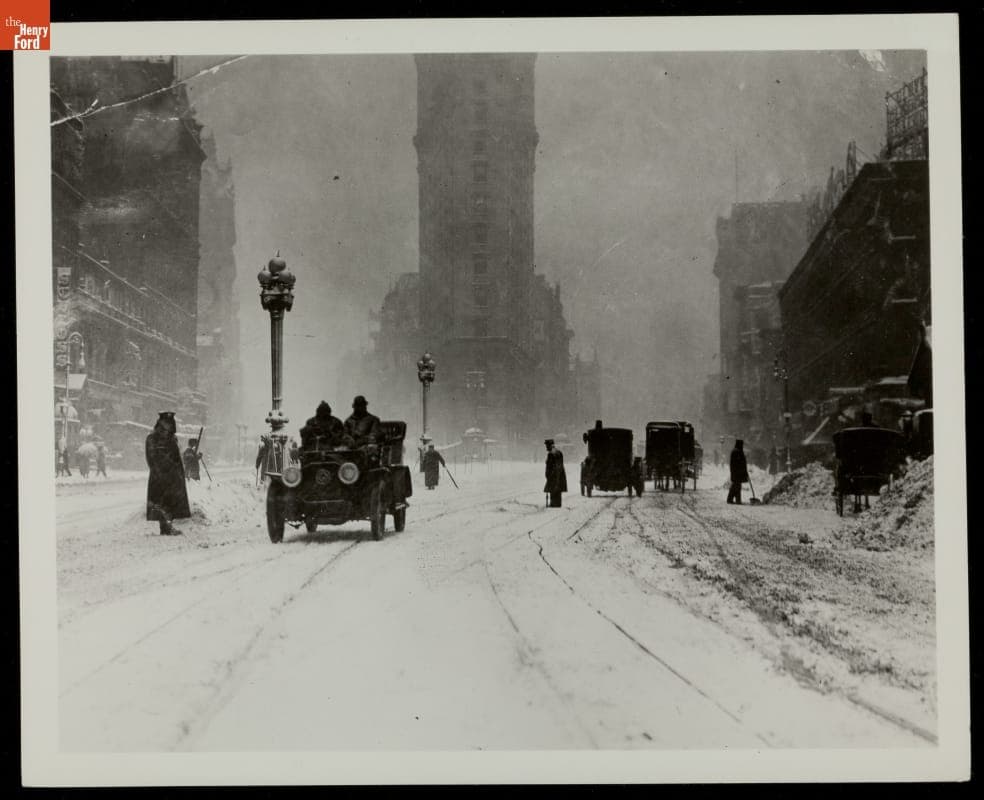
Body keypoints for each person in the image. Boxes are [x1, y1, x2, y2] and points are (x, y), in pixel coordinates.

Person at [145, 411, 190, 536]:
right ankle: (165, 527)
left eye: (171, 423)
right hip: (160, 477)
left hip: (173, 477)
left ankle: (168, 526)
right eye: (167, 423)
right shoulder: (152, 439)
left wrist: (178, 472)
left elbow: (176, 457)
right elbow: (151, 458)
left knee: (171, 502)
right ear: (161, 424)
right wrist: (161, 472)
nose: (170, 426)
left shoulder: (171, 438)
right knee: (161, 503)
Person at [544, 438, 568, 508]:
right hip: (560, 474)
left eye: (546, 446)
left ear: (549, 445)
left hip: (553, 475)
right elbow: (560, 465)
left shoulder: (551, 454)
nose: (546, 448)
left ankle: (553, 503)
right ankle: (558, 503)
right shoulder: (559, 452)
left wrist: (548, 475)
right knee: (558, 489)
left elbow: (550, 466)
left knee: (553, 489)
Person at [726, 438, 749, 505]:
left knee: (736, 486)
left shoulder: (737, 451)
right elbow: (738, 463)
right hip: (737, 473)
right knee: (737, 486)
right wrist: (742, 469)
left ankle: (732, 499)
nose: (742, 446)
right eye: (742, 444)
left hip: (737, 472)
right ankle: (735, 500)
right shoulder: (737, 452)